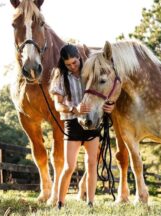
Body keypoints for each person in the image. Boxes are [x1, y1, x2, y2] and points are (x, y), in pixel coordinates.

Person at [49, 44, 114, 209]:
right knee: (69, 166)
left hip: (92, 122)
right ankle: (60, 204)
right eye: (68, 64)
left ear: (79, 57)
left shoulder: (90, 71)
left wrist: (109, 106)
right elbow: (58, 105)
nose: (72, 66)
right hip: (73, 123)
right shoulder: (60, 77)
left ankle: (90, 203)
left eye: (74, 62)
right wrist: (74, 109)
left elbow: (105, 88)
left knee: (92, 163)